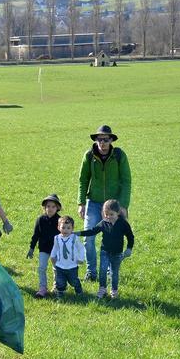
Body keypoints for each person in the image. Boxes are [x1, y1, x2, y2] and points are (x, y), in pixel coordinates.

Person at [78, 125, 131, 282]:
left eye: (106, 139)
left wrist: (123, 205)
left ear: (111, 140)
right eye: (99, 139)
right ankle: (91, 272)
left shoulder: (119, 156)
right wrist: (81, 203)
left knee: (113, 239)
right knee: (88, 238)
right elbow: (83, 179)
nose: (102, 142)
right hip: (93, 202)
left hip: (113, 206)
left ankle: (110, 272)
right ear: (96, 140)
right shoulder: (89, 156)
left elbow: (126, 181)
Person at [75, 199, 134, 299]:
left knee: (114, 273)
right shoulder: (104, 223)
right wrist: (79, 233)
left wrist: (129, 248)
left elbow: (130, 236)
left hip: (117, 254)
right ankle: (102, 289)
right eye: (106, 214)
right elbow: (92, 231)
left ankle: (114, 290)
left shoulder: (123, 224)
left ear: (118, 213)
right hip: (104, 252)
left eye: (111, 214)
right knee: (102, 270)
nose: (108, 217)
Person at [27, 194, 62, 298]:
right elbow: (35, 235)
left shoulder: (60, 221)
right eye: (48, 206)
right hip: (43, 248)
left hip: (56, 249)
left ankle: (56, 287)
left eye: (53, 206)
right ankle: (42, 288)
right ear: (44, 208)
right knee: (42, 267)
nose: (50, 209)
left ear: (57, 208)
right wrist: (31, 248)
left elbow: (64, 235)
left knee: (56, 268)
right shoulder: (40, 220)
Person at [50, 216, 86, 298]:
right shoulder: (57, 238)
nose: (65, 230)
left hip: (72, 265)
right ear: (58, 227)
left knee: (73, 281)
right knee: (60, 281)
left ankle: (78, 289)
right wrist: (52, 256)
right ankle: (60, 292)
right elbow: (55, 248)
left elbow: (81, 248)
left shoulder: (74, 238)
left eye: (68, 228)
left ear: (72, 229)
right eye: (63, 227)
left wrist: (81, 258)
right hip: (60, 265)